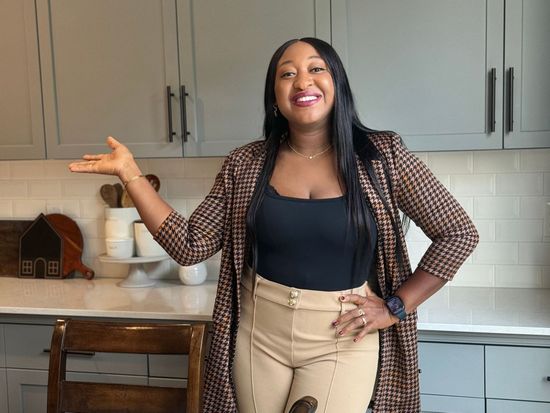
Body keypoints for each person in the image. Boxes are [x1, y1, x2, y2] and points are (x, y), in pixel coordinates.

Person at [69, 38, 479, 413]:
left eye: (316, 69)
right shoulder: (245, 164)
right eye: (287, 73)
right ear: (275, 98)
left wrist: (395, 307)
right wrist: (130, 174)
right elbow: (190, 245)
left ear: (337, 84)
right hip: (258, 334)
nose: (303, 80)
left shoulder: (381, 156)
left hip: (341, 333)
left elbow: (458, 233)